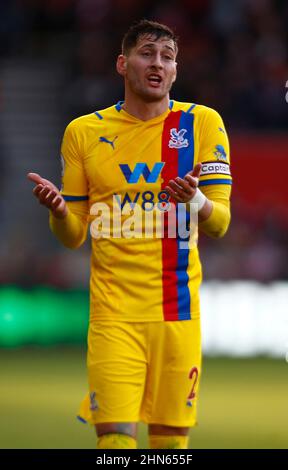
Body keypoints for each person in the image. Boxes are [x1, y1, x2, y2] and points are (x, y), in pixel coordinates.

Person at [27, 19, 232, 449]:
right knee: (116, 445)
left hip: (177, 315)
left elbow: (220, 223)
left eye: (168, 57)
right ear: (123, 64)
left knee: (170, 449)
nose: (157, 64)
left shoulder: (203, 125)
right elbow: (72, 236)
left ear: (175, 70)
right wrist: (61, 211)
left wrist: (195, 200)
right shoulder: (83, 132)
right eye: (147, 54)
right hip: (113, 315)